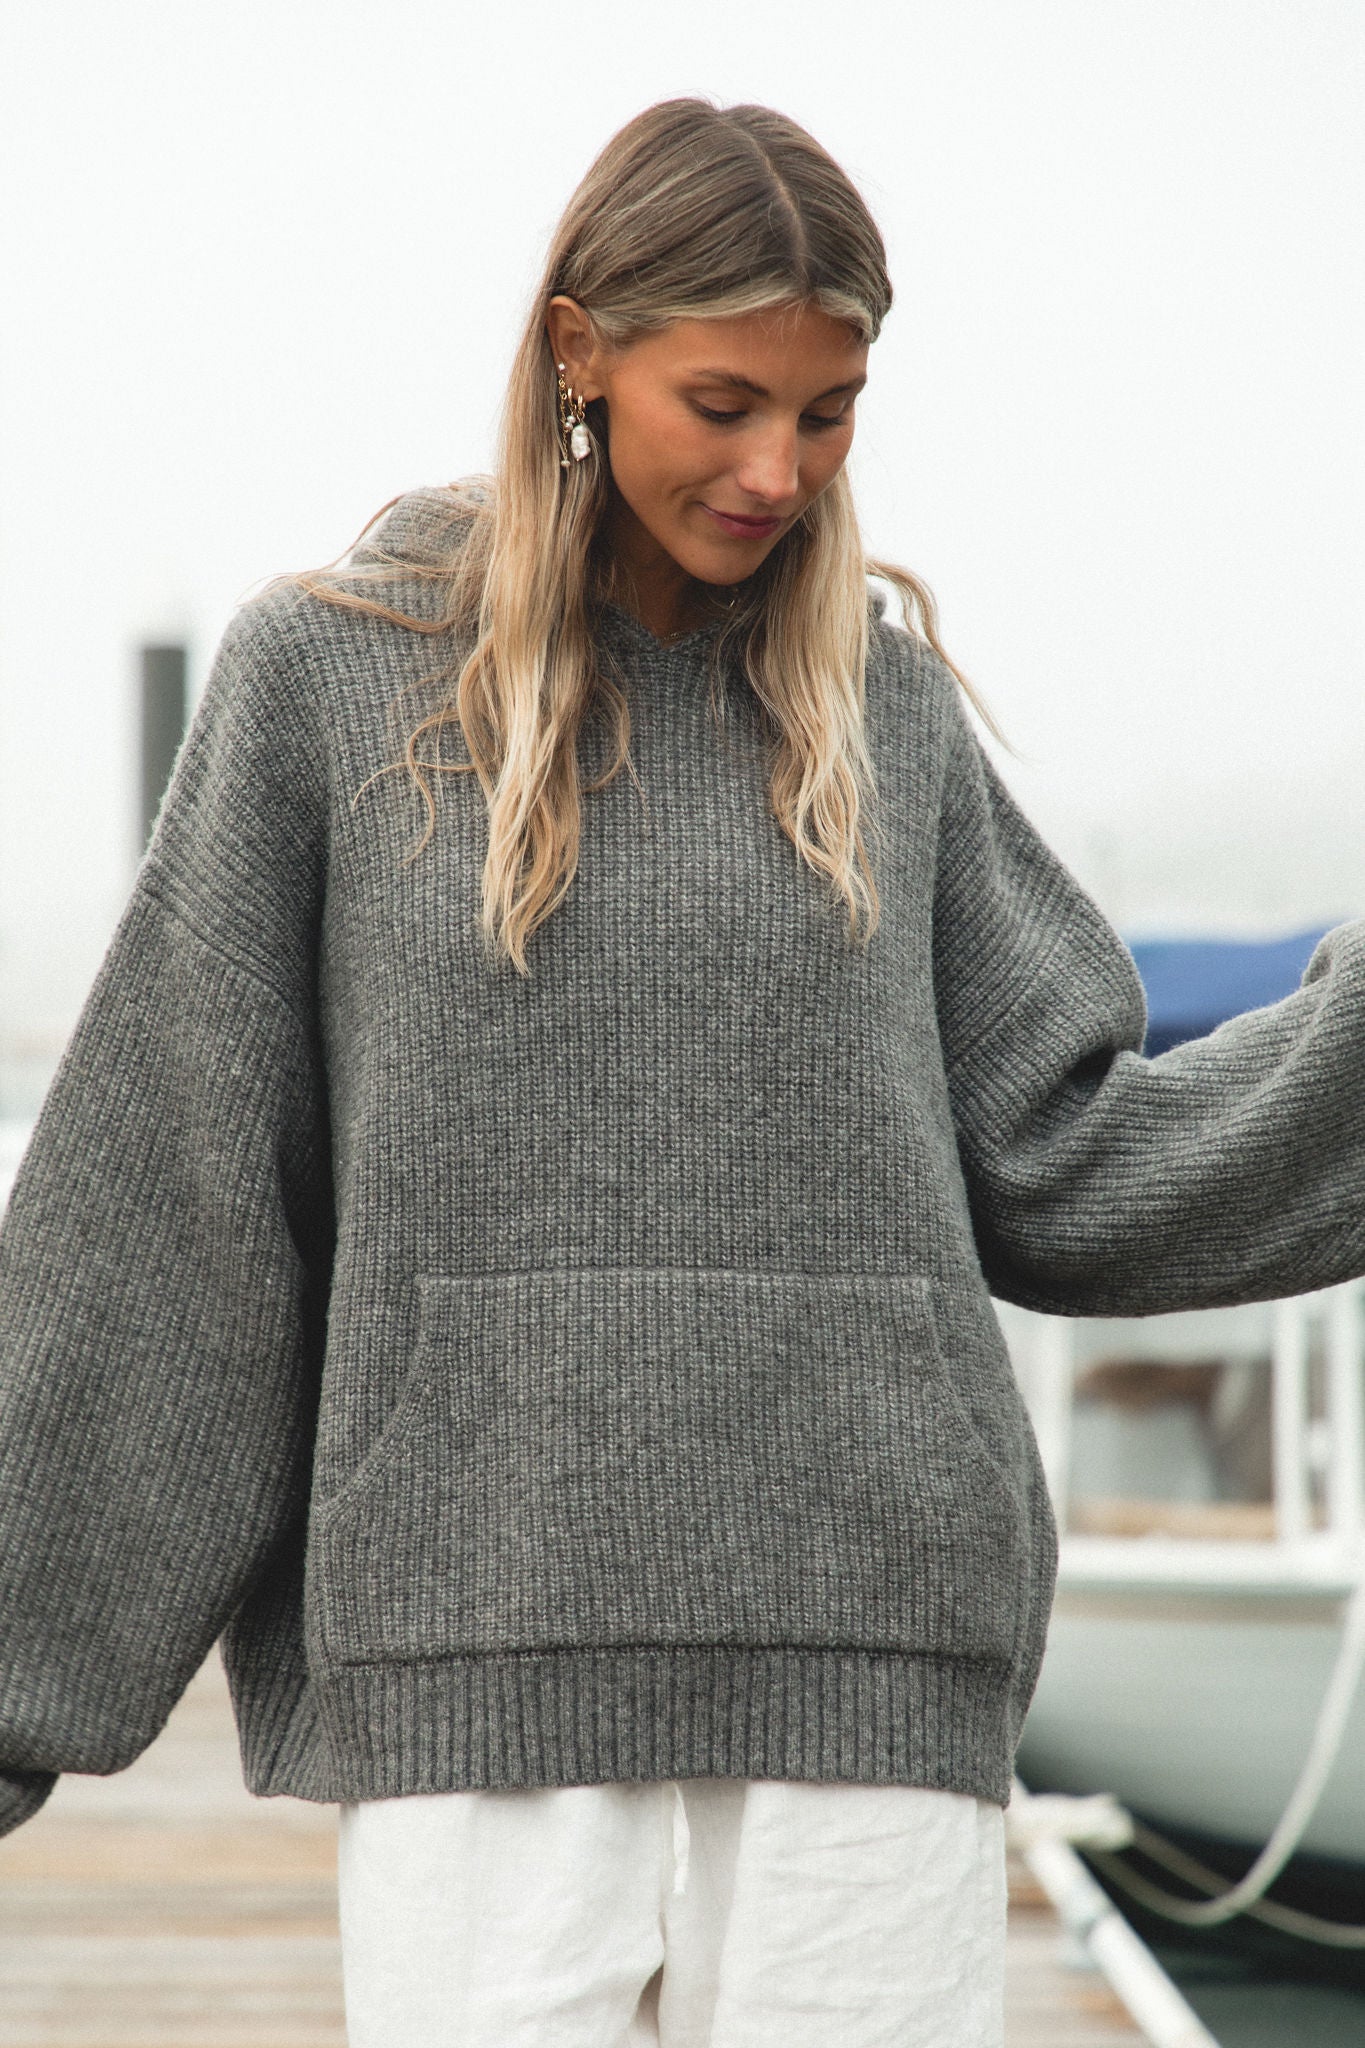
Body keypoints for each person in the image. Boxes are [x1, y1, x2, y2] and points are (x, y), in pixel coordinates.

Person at [1, 95, 1362, 2048]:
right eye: (721, 402)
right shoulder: (328, 681)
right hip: (475, 1666)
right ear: (578, 349)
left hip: (865, 1669)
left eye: (827, 412)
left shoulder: (880, 711)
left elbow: (1064, 1156)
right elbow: (169, 1215)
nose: (774, 469)